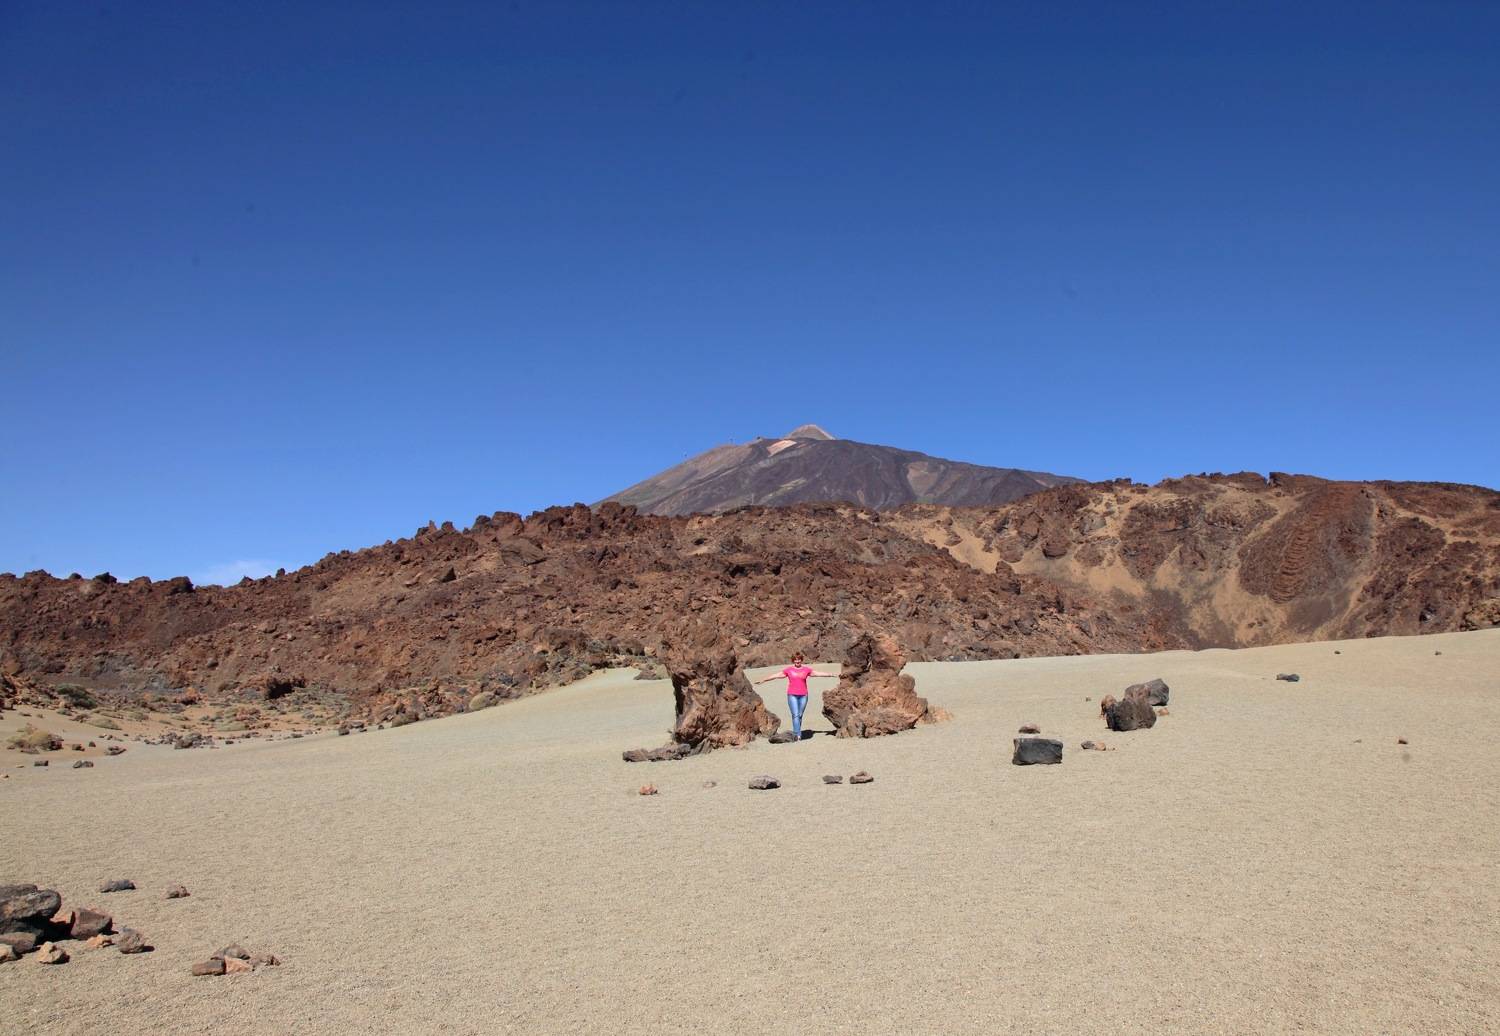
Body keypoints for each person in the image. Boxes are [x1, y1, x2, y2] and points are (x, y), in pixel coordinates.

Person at [755, 651, 838, 741]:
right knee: (795, 715)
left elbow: (818, 673)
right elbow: (777, 675)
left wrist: (831, 674)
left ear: (801, 660)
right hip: (792, 695)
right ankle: (797, 735)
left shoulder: (806, 670)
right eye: (795, 660)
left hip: (804, 695)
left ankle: (797, 732)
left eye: (799, 659)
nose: (797, 661)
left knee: (800, 715)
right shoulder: (789, 670)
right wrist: (764, 680)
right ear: (793, 660)